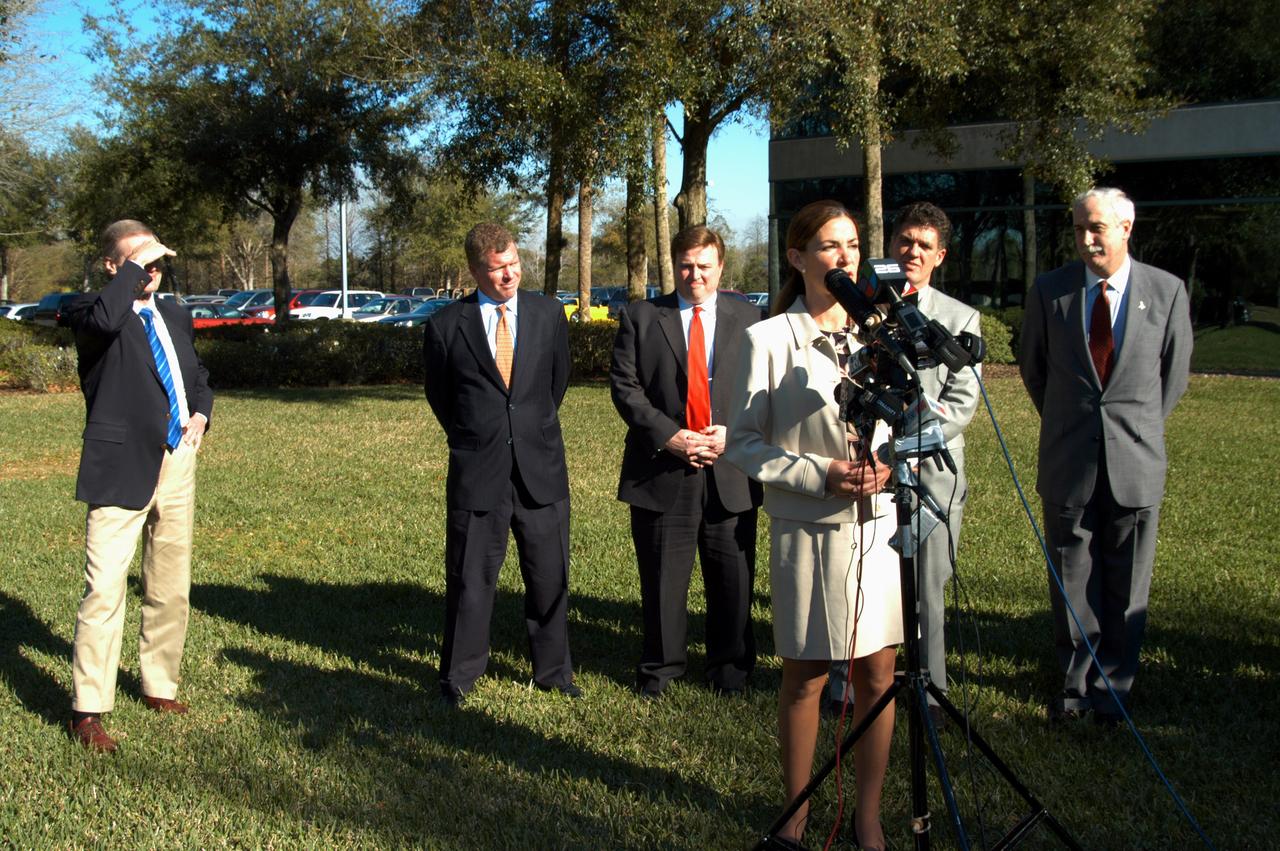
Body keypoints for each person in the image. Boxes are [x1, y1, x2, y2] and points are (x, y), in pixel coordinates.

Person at [725, 200, 900, 851]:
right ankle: (796, 819)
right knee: (807, 676)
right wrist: (817, 472)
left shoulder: (880, 333)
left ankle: (868, 817)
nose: (844, 256)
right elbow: (742, 443)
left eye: (851, 243)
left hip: (877, 526)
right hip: (807, 528)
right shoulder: (766, 339)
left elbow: (907, 420)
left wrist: (888, 464)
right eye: (828, 245)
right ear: (797, 258)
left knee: (878, 675)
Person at [1020, 187, 1192, 725]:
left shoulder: (1166, 291)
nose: (1086, 238)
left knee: (1125, 582)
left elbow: (1174, 377)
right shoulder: (1052, 291)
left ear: (1126, 227)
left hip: (1135, 462)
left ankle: (1113, 686)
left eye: (1095, 227)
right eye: (1078, 228)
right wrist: (1074, 423)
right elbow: (1034, 370)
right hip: (1069, 459)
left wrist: (1130, 429)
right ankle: (1074, 689)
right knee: (1073, 579)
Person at [65, 220, 213, 753]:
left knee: (169, 583)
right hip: (120, 465)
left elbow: (196, 375)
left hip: (178, 460)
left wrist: (200, 413)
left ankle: (159, 685)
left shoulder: (174, 312)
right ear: (112, 266)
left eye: (156, 260)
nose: (152, 268)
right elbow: (106, 316)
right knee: (105, 590)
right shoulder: (90, 311)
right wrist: (131, 268)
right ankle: (89, 709)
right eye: (138, 260)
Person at [423, 222, 580, 705]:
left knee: (549, 576)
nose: (509, 275)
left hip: (541, 470)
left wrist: (524, 431)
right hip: (478, 472)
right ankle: (460, 674)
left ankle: (554, 672)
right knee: (470, 579)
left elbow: (557, 384)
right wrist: (480, 436)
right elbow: (441, 397)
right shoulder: (447, 325)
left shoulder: (549, 314)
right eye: (497, 269)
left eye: (513, 264)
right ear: (475, 270)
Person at [609, 225, 762, 698]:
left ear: (721, 267)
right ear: (672, 266)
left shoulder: (751, 317)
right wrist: (671, 437)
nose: (694, 275)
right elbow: (626, 388)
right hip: (662, 467)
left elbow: (767, 388)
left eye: (704, 266)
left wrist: (732, 433)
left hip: (729, 467)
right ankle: (660, 670)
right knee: (662, 581)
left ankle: (730, 670)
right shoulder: (641, 316)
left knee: (733, 579)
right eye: (685, 266)